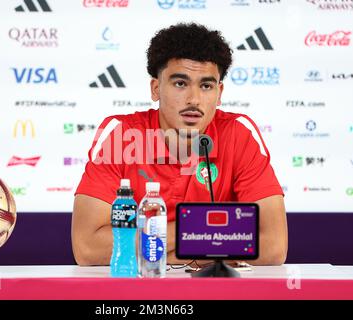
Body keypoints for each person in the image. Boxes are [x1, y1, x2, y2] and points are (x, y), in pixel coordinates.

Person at [72, 23, 287, 266]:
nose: (194, 99)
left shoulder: (239, 135)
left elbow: (274, 246)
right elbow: (87, 247)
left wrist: (155, 248)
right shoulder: (121, 136)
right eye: (180, 83)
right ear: (155, 88)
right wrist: (197, 235)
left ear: (220, 92)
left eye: (206, 86)